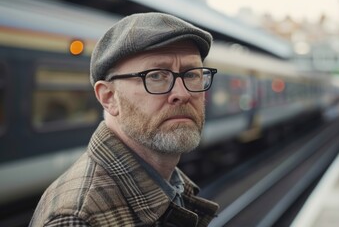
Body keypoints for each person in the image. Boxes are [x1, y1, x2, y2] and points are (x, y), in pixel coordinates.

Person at [30, 13, 219, 226]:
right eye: (156, 76)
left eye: (191, 75)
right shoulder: (77, 219)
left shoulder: (171, 184)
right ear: (109, 97)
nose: (182, 94)